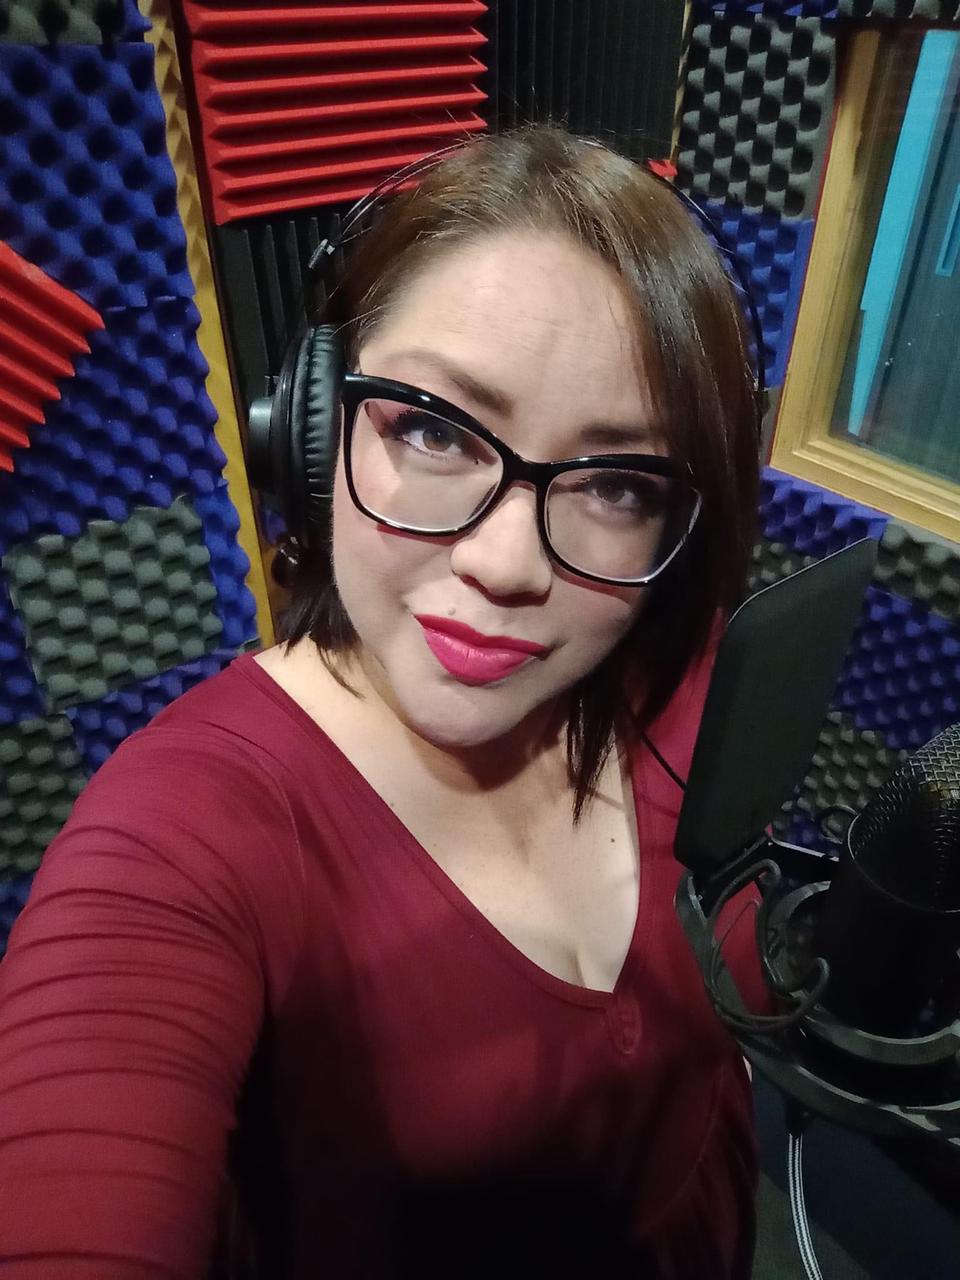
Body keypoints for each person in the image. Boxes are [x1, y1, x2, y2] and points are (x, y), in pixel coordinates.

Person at [0, 125, 768, 1278]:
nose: (507, 563)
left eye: (617, 482)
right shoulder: (175, 837)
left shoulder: (673, 661)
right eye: (433, 429)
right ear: (311, 432)